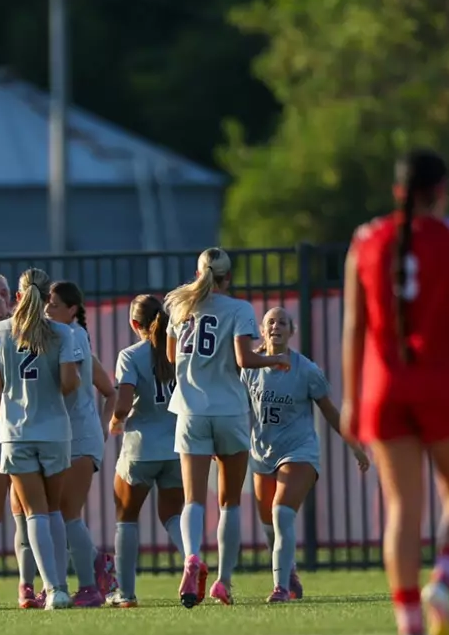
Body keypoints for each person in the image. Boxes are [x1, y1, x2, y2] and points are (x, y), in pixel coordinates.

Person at [342, 148, 449, 635]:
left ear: (397, 191)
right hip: (442, 383)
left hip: (385, 387)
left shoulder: (366, 241)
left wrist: (350, 399)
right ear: (441, 189)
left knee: (401, 510)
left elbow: (354, 327)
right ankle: (442, 581)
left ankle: (410, 630)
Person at [165, 246, 290, 608]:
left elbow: (173, 356)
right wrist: (275, 359)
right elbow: (244, 359)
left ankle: (191, 557)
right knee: (229, 503)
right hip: (229, 411)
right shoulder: (239, 309)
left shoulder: (179, 305)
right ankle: (223, 581)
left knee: (192, 499)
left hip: (190, 410)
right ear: (228, 277)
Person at [243, 306, 369, 603]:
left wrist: (355, 445)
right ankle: (290, 573)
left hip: (299, 451)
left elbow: (329, 411)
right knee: (268, 526)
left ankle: (280, 588)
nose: (276, 326)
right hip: (262, 453)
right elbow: (236, 408)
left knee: (281, 513)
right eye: (270, 322)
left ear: (291, 331)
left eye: (282, 322)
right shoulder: (250, 368)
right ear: (262, 331)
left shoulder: (307, 370)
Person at [0, 267, 83, 610]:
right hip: (55, 430)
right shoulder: (62, 332)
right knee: (52, 510)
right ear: (46, 299)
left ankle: (53, 589)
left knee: (34, 513)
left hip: (16, 433)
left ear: (17, 297)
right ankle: (60, 586)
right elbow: (70, 384)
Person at [106, 294, 185, 607]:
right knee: (173, 515)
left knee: (126, 518)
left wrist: (114, 421)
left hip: (141, 448)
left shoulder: (130, 355)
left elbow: (123, 403)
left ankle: (125, 594)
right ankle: (193, 562)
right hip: (177, 446)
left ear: (134, 323)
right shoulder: (176, 352)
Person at [45, 280, 117, 606]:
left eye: (55, 303)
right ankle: (99, 564)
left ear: (72, 310)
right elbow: (108, 387)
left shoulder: (71, 335)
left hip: (78, 434)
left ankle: (89, 585)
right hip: (71, 433)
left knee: (67, 513)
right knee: (61, 512)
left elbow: (70, 384)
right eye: (47, 301)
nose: (48, 308)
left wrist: (102, 426)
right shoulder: (70, 336)